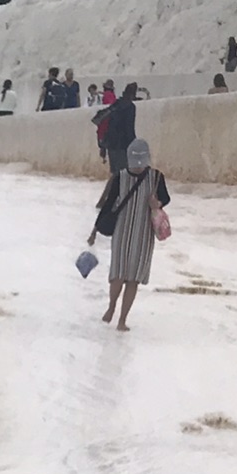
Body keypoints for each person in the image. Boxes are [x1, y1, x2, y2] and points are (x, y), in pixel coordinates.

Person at [86, 137, 171, 331]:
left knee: (133, 278)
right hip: (122, 231)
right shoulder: (120, 177)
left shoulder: (157, 177)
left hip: (143, 233)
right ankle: (111, 306)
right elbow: (107, 205)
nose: (139, 167)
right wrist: (95, 230)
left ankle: (122, 319)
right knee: (118, 274)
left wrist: (156, 204)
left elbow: (165, 198)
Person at [96, 81, 139, 173]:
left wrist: (103, 146)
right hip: (123, 145)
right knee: (124, 174)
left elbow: (107, 123)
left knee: (115, 174)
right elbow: (129, 128)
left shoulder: (116, 104)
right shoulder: (130, 107)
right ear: (133, 94)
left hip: (111, 144)